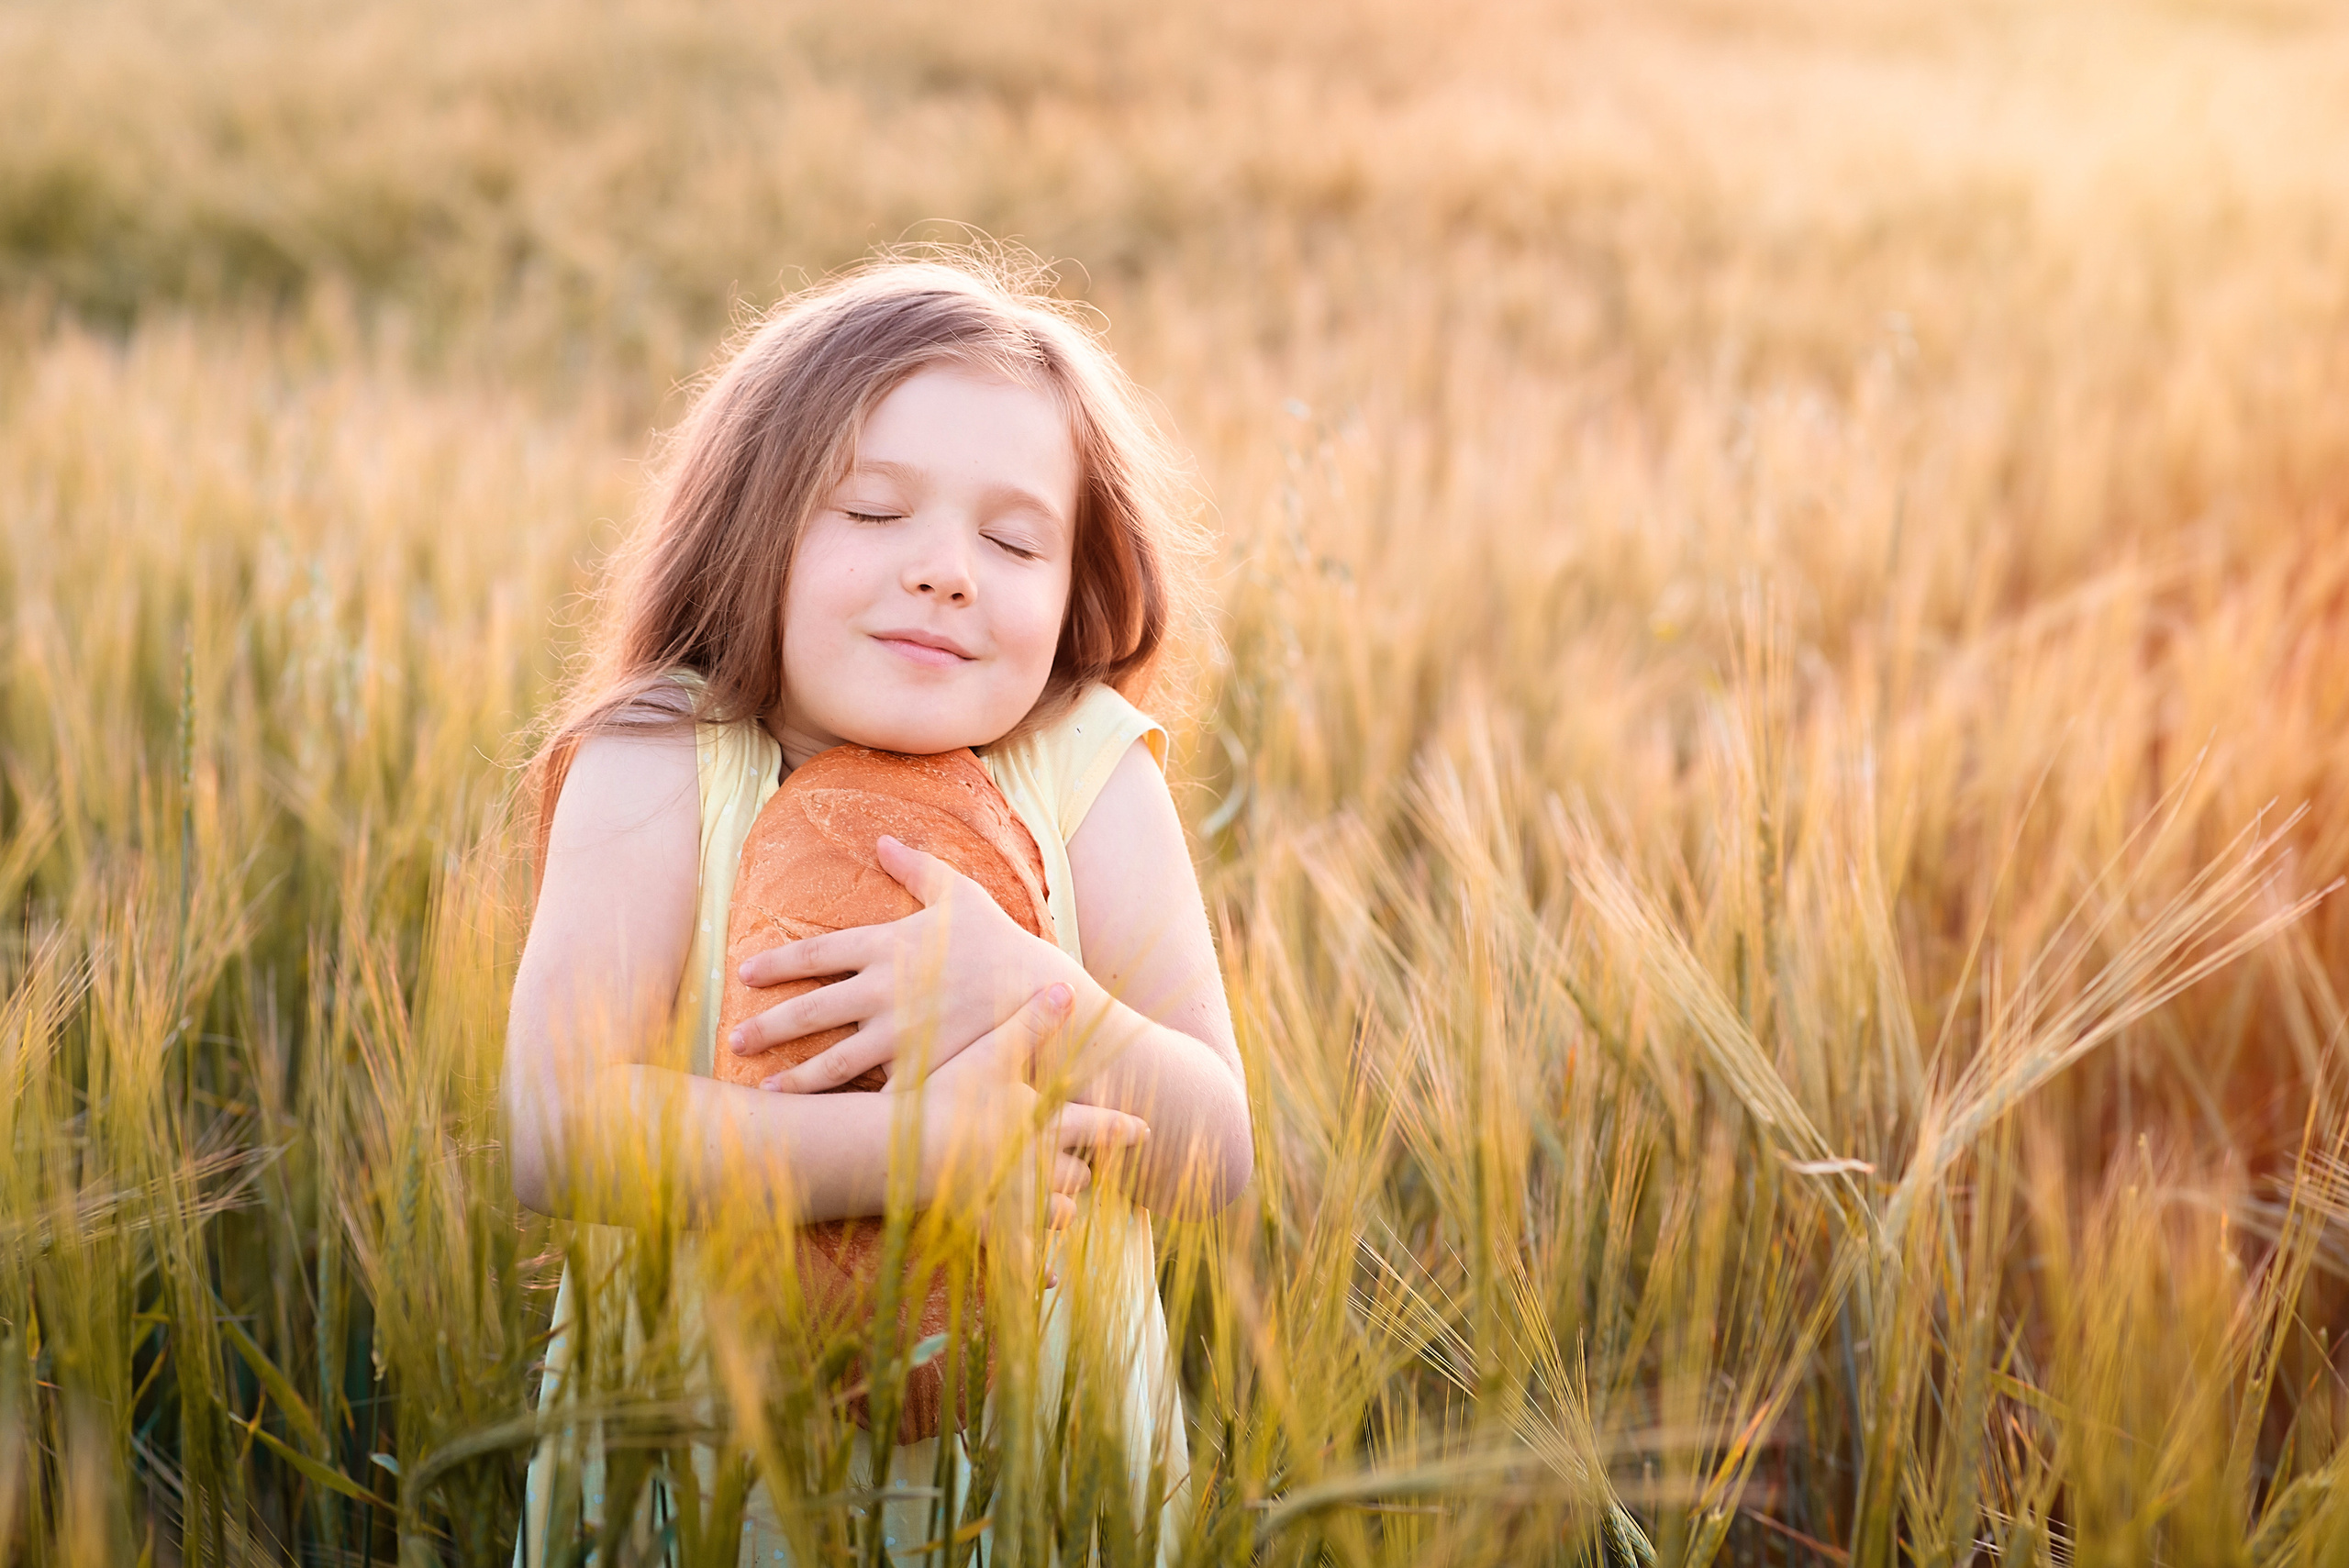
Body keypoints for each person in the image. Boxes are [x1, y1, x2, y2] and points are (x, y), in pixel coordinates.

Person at [502, 253, 1252, 1564]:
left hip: (1035, 1474)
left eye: (1013, 539)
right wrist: (918, 1160)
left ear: (1072, 580)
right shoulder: (656, 762)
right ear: (752, 529)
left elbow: (1222, 1153)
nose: (947, 571)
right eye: (872, 510)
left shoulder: (1086, 775)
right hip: (703, 1466)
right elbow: (552, 1127)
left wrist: (1040, 997)